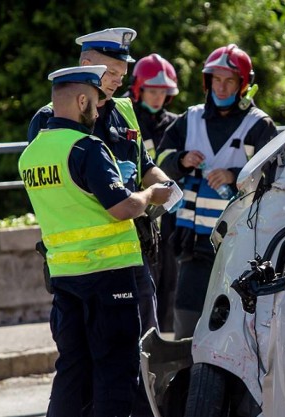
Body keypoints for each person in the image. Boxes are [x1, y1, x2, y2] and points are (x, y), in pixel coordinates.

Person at [27, 28, 175, 417]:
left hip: (129, 252)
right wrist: (143, 200)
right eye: (110, 71)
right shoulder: (53, 119)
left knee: (143, 354)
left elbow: (143, 166)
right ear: (85, 66)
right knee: (105, 364)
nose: (116, 80)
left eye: (121, 73)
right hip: (93, 261)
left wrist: (164, 185)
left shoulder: (125, 112)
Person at [157, 44, 278, 339]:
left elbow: (276, 175)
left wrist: (235, 175)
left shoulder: (258, 125)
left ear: (242, 85)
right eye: (216, 79)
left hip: (242, 245)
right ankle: (186, 376)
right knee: (187, 318)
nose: (221, 87)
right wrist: (181, 161)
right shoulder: (190, 119)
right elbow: (158, 163)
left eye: (230, 81)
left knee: (236, 320)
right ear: (207, 81)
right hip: (195, 244)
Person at [128, 53, 180, 332]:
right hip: (137, 216)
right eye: (152, 90)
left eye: (163, 91)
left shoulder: (174, 123)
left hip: (168, 219)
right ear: (139, 88)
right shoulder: (126, 119)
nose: (158, 97)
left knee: (168, 289)